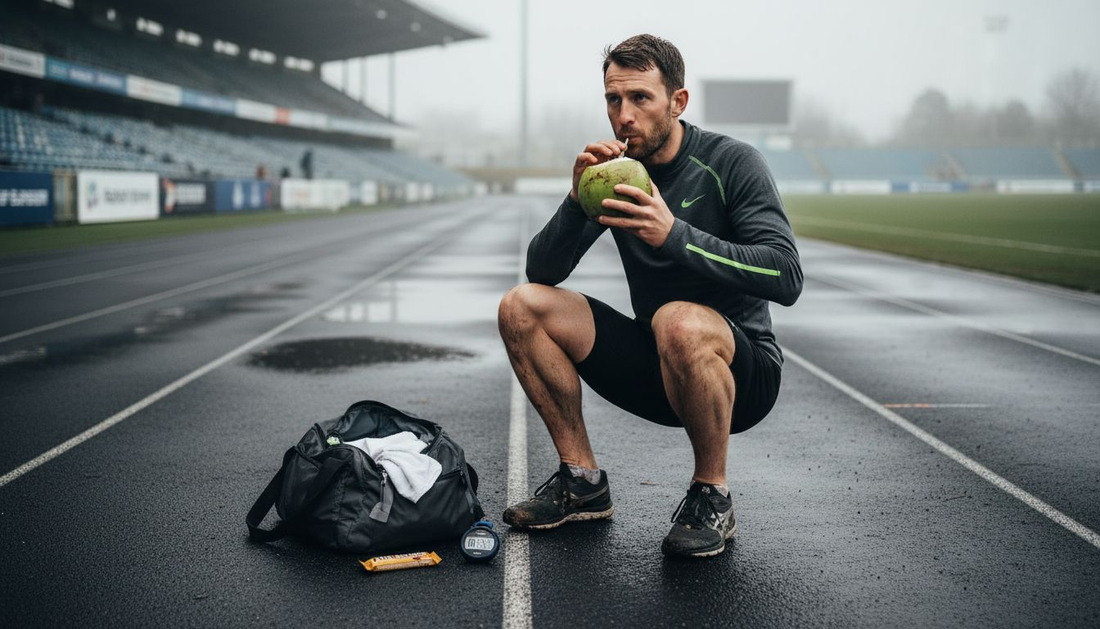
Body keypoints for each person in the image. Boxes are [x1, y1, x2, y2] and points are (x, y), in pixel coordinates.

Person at [497, 34, 803, 558]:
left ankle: (712, 495)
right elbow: (541, 270)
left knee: (678, 321)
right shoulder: (616, 174)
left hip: (740, 374)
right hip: (654, 362)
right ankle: (582, 483)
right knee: (521, 306)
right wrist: (576, 200)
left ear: (677, 102)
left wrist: (673, 234)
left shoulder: (731, 162)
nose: (624, 115)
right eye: (614, 100)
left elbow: (785, 275)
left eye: (640, 98)